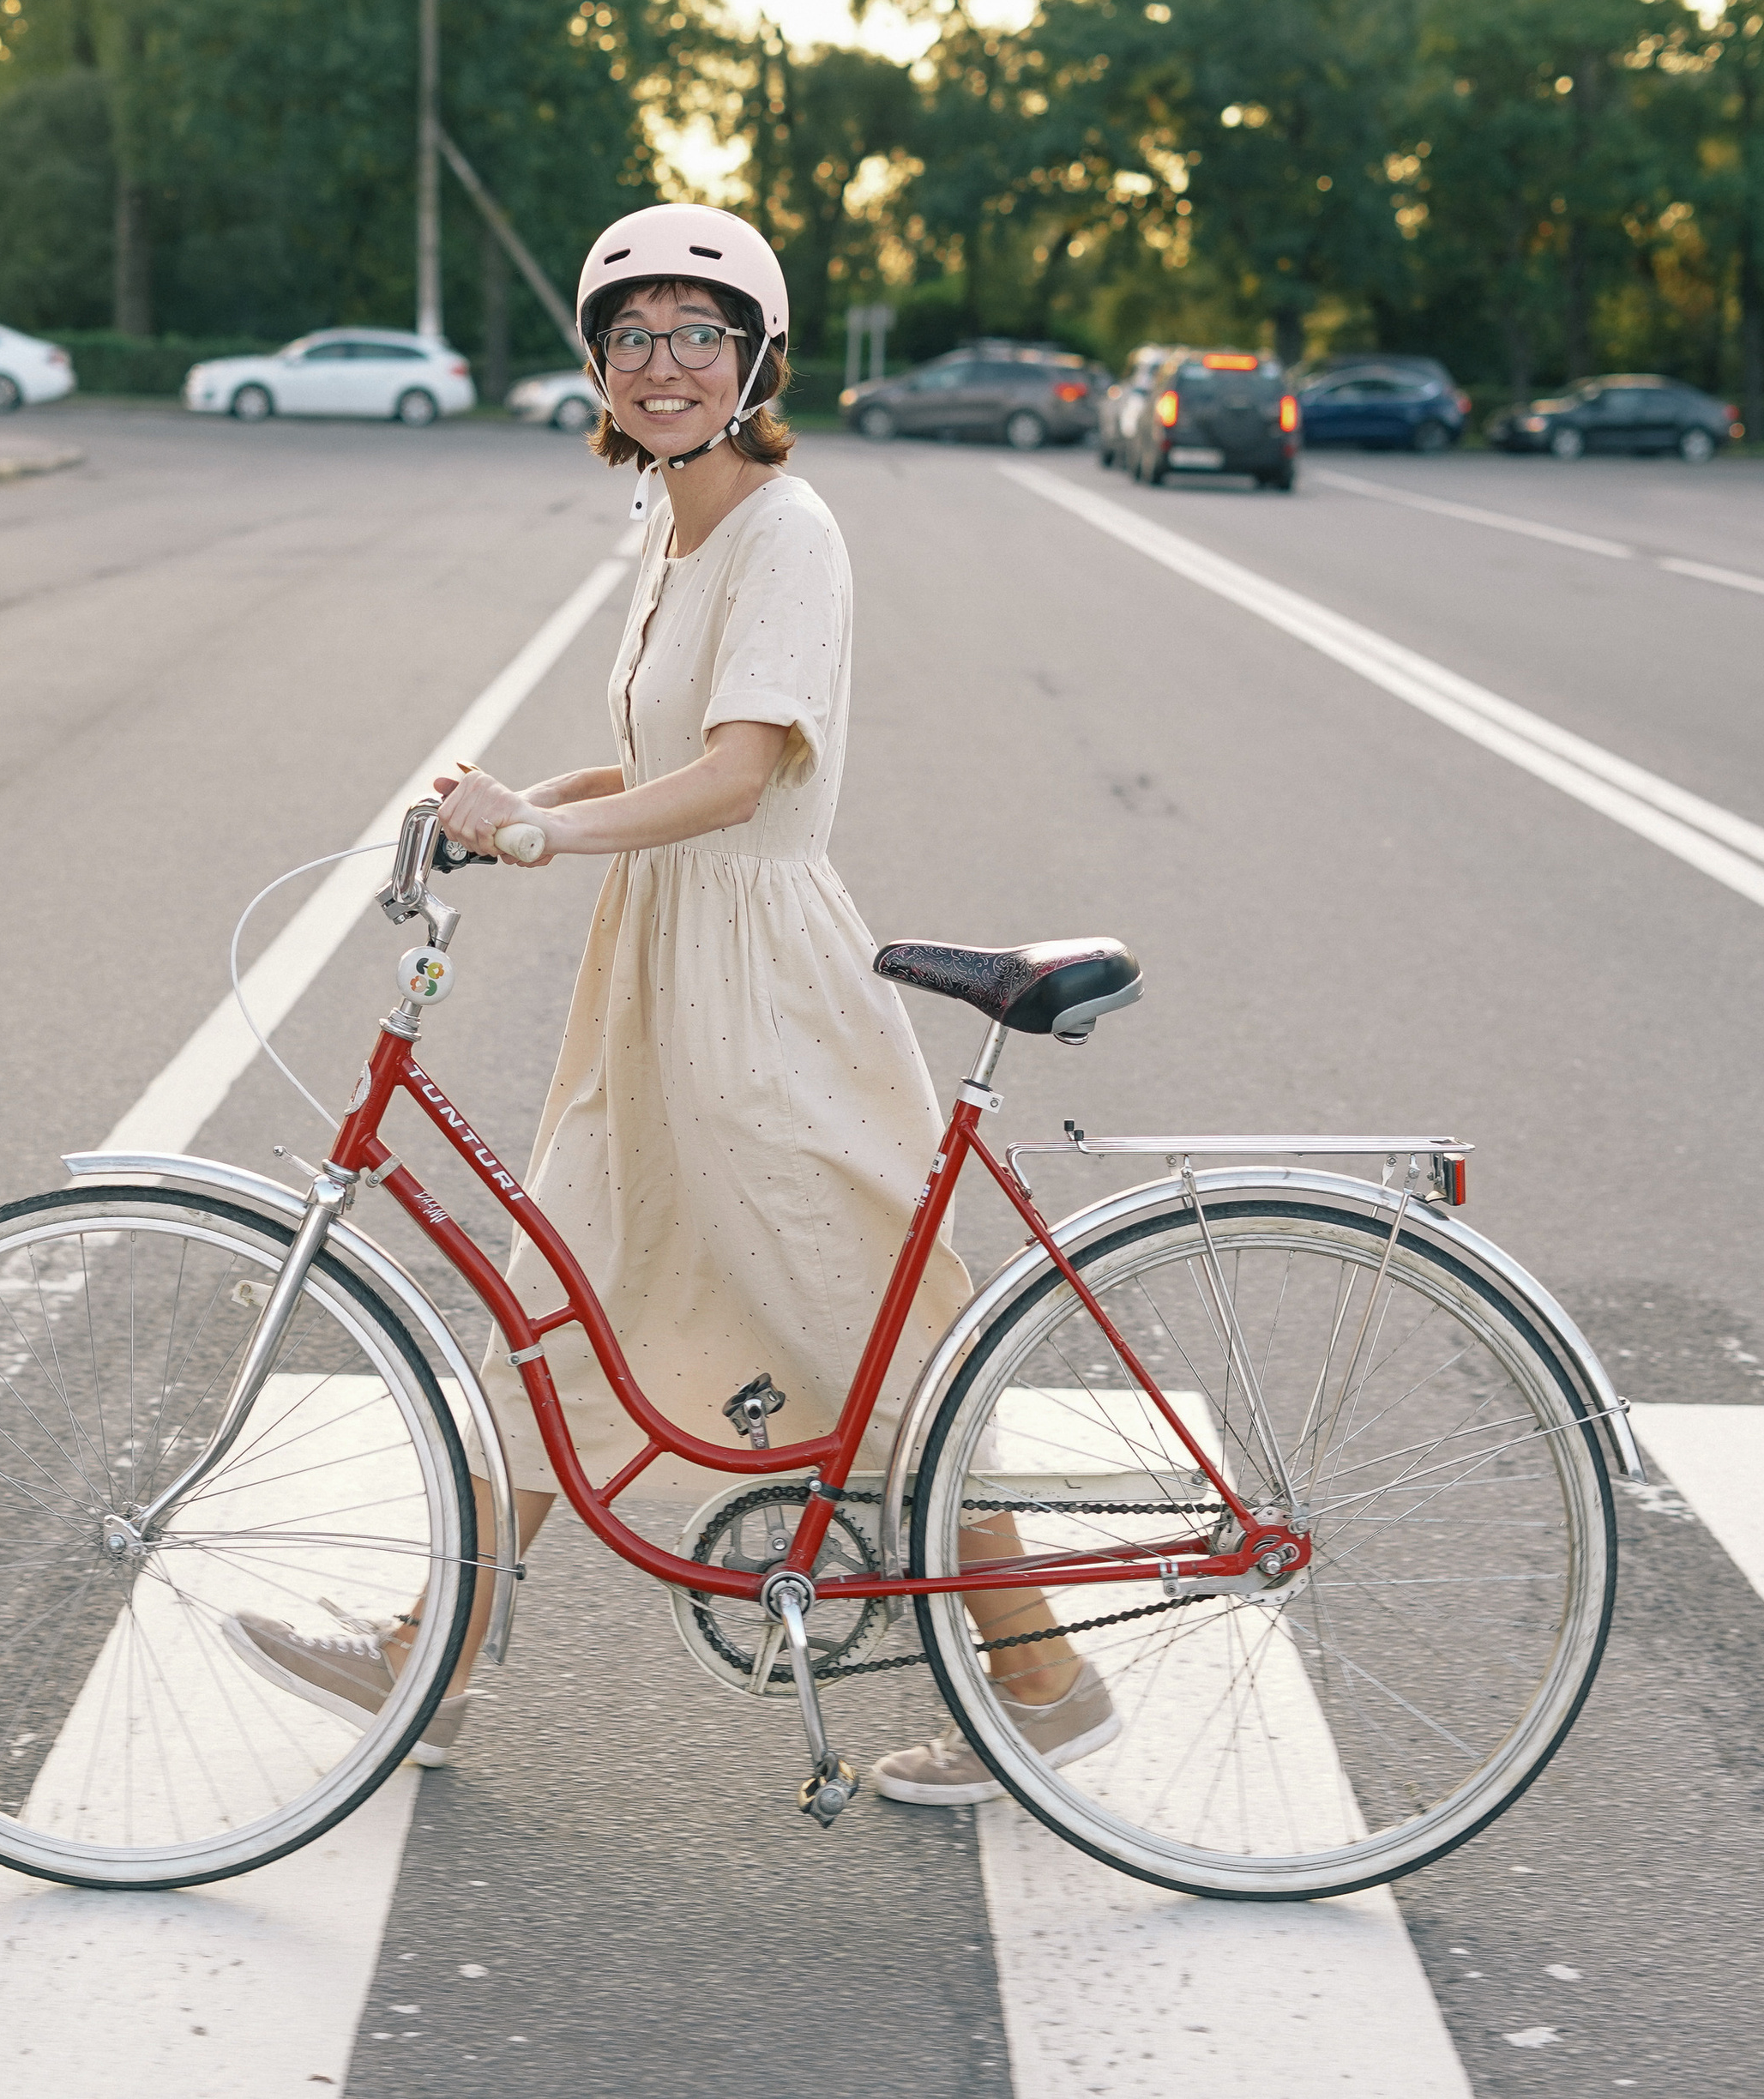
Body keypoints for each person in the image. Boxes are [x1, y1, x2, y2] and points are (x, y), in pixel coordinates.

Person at [222, 204, 1118, 1805]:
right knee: (552, 1308)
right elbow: (655, 763)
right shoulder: (679, 524)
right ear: (599, 363)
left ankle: (1044, 1677)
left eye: (698, 333)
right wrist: (506, 807)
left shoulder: (789, 529)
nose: (661, 363)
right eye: (632, 334)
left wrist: (557, 830)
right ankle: (434, 1660)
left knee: (874, 1338)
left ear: (754, 357)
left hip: (763, 999)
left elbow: (740, 774)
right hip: (658, 982)